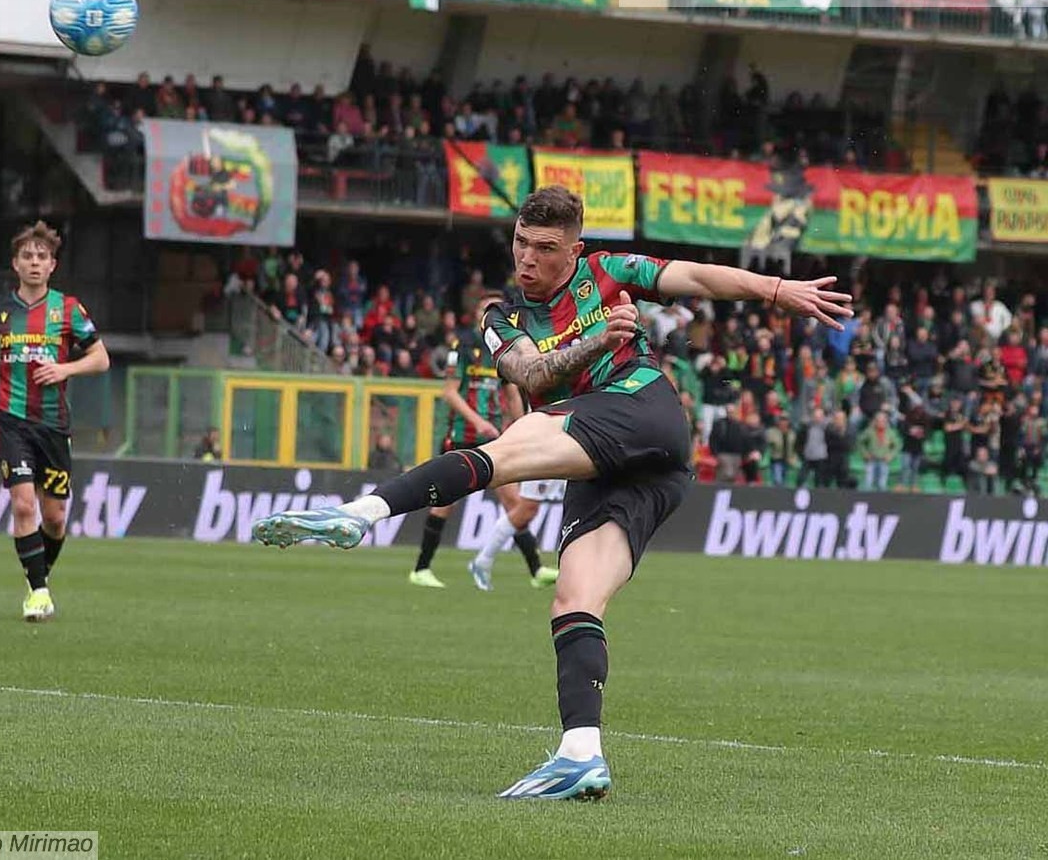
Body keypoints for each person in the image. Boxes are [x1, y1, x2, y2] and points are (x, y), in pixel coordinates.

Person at [251, 186, 850, 800]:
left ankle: (364, 511)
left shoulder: (606, 272)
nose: (528, 259)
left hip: (643, 411)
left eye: (545, 248)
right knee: (574, 599)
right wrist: (600, 339)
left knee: (507, 449)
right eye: (521, 244)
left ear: (575, 251)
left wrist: (779, 292)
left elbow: (694, 275)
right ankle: (582, 756)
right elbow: (533, 372)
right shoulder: (500, 317)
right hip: (628, 471)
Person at [0, 221, 109, 623]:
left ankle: (36, 576)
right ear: (16, 263)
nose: (35, 262)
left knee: (55, 517)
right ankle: (40, 592)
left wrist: (64, 370)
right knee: (23, 505)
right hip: (11, 420)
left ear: (53, 265)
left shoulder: (68, 309)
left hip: (55, 425)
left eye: (42, 257)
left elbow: (101, 358)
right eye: (28, 256)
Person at [410, 292, 557, 590]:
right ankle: (421, 568)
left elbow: (511, 391)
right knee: (444, 504)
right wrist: (478, 422)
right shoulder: (462, 347)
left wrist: (523, 423)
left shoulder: (503, 350)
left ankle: (536, 569)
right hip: (462, 436)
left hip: (491, 439)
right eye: (482, 308)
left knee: (514, 502)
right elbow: (449, 392)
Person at [466, 476, 566, 591]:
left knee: (521, 510)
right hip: (539, 459)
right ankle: (483, 561)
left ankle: (537, 571)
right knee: (525, 510)